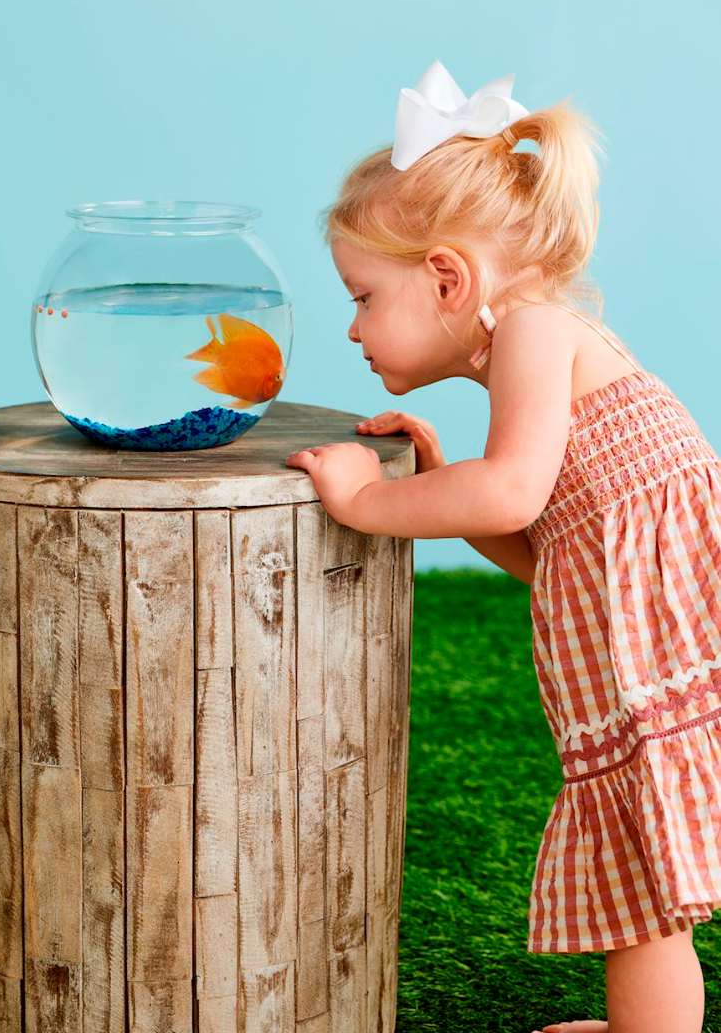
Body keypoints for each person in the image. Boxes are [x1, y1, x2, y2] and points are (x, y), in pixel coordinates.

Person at [285, 61, 721, 1033]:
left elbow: (518, 489)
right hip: (645, 643)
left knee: (647, 898)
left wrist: (362, 501)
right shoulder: (532, 355)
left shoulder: (532, 329)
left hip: (665, 665)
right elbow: (557, 556)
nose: (352, 327)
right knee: (647, 885)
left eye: (361, 296)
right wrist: (450, 486)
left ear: (446, 276)